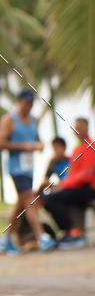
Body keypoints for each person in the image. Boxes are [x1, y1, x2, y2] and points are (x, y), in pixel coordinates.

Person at [0, 88, 56, 253]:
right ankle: (42, 237)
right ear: (19, 101)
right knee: (30, 199)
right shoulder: (9, 120)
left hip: (29, 169)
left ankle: (4, 240)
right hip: (16, 168)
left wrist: (40, 146)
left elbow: (37, 140)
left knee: (20, 205)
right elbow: (1, 143)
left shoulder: (33, 120)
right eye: (26, 102)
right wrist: (25, 146)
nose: (29, 106)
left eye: (31, 103)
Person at [42, 117, 95, 248]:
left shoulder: (93, 146)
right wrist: (60, 186)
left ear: (87, 128)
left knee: (52, 199)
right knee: (46, 198)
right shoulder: (76, 150)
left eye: (80, 126)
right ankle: (68, 233)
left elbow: (86, 176)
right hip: (79, 189)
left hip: (92, 190)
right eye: (76, 127)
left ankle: (72, 234)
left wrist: (62, 186)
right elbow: (72, 175)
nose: (78, 129)